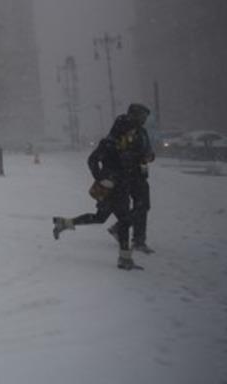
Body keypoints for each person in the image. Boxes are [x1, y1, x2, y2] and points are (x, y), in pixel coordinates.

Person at [51, 114, 142, 270]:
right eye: (131, 129)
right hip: (111, 189)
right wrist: (100, 177)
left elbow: (128, 163)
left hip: (122, 187)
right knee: (124, 221)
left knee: (101, 218)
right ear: (123, 128)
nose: (132, 133)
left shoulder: (126, 143)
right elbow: (92, 160)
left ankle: (65, 223)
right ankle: (124, 259)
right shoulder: (108, 143)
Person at [108, 103, 156, 253]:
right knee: (128, 207)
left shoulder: (142, 132)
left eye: (145, 117)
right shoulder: (122, 128)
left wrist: (149, 156)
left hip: (140, 175)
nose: (144, 119)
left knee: (143, 206)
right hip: (124, 175)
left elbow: (148, 150)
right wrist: (134, 157)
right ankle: (132, 237)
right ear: (133, 114)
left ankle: (135, 237)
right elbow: (115, 150)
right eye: (142, 116)